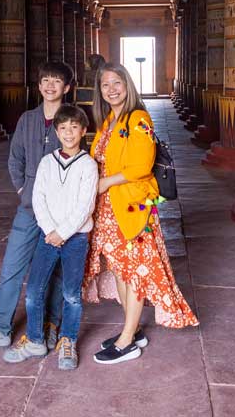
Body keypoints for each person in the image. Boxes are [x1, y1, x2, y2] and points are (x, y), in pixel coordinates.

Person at [84, 62, 198, 364]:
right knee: (121, 268)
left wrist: (105, 181)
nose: (111, 89)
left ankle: (127, 342)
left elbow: (140, 166)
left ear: (128, 85)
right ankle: (131, 330)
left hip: (132, 206)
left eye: (117, 83)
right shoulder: (109, 120)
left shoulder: (138, 118)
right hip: (109, 209)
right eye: (105, 84)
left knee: (133, 270)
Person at [0, 61, 76, 355]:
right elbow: (15, 160)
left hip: (60, 212)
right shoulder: (27, 119)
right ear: (39, 86)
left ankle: (50, 326)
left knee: (54, 271)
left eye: (56, 81)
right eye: (45, 80)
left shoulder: (74, 119)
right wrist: (24, 190)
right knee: (11, 269)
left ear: (66, 88)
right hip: (28, 209)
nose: (50, 86)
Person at [3, 104, 98, 370]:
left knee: (71, 294)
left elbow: (85, 205)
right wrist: (50, 231)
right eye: (63, 128)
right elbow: (38, 198)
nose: (69, 133)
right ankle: (34, 340)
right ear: (56, 132)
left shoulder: (88, 165)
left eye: (74, 127)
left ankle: (67, 340)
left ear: (83, 131)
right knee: (34, 291)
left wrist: (63, 232)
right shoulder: (47, 162)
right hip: (48, 236)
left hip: (75, 238)